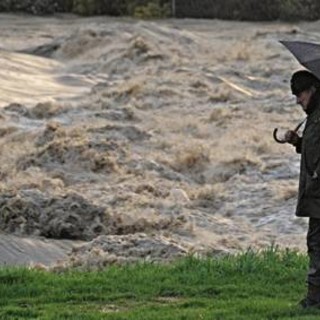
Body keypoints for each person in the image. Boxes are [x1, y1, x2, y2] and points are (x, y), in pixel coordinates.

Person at [285, 69, 320, 308]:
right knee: (315, 243)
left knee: (316, 244)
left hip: (319, 193)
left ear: (313, 91)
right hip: (316, 195)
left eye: (300, 94)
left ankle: (314, 300)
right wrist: (297, 142)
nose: (298, 100)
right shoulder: (314, 115)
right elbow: (313, 149)